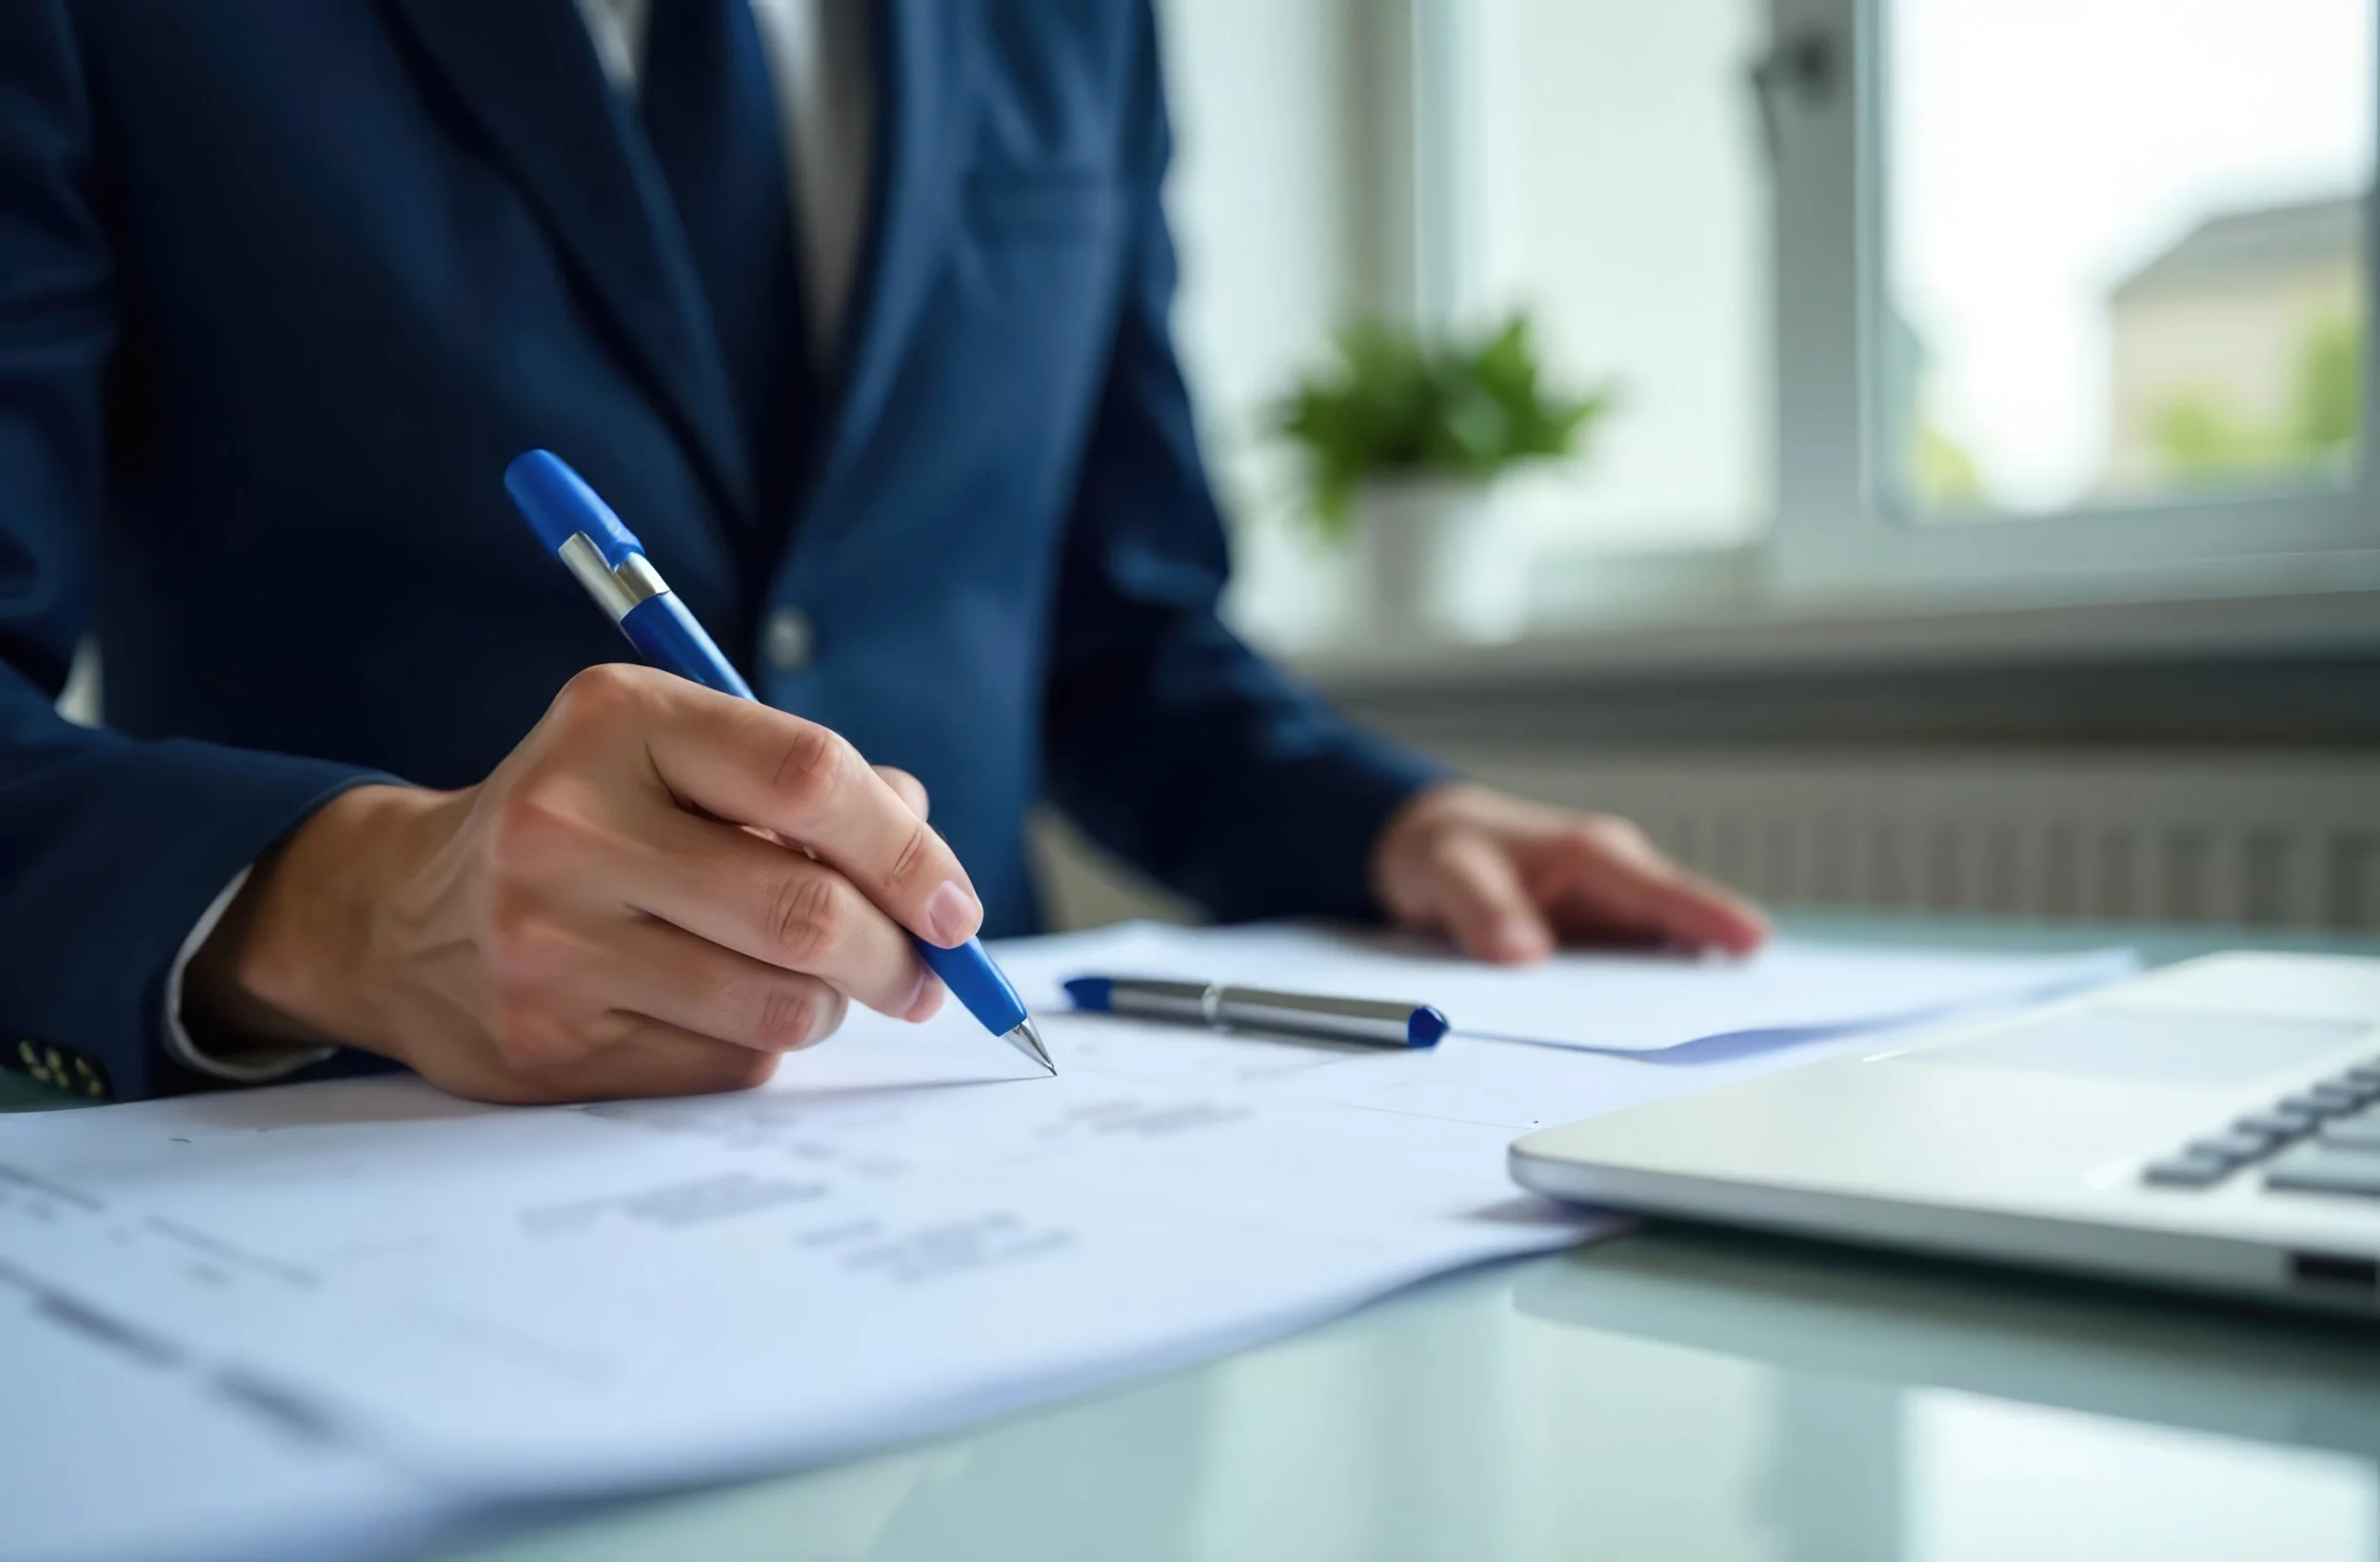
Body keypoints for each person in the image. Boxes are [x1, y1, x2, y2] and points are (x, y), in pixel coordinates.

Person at [0, 0, 1764, 1107]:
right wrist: (352, 904)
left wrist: (1390, 823)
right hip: (354, 1172)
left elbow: (1116, 632)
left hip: (967, 1191)